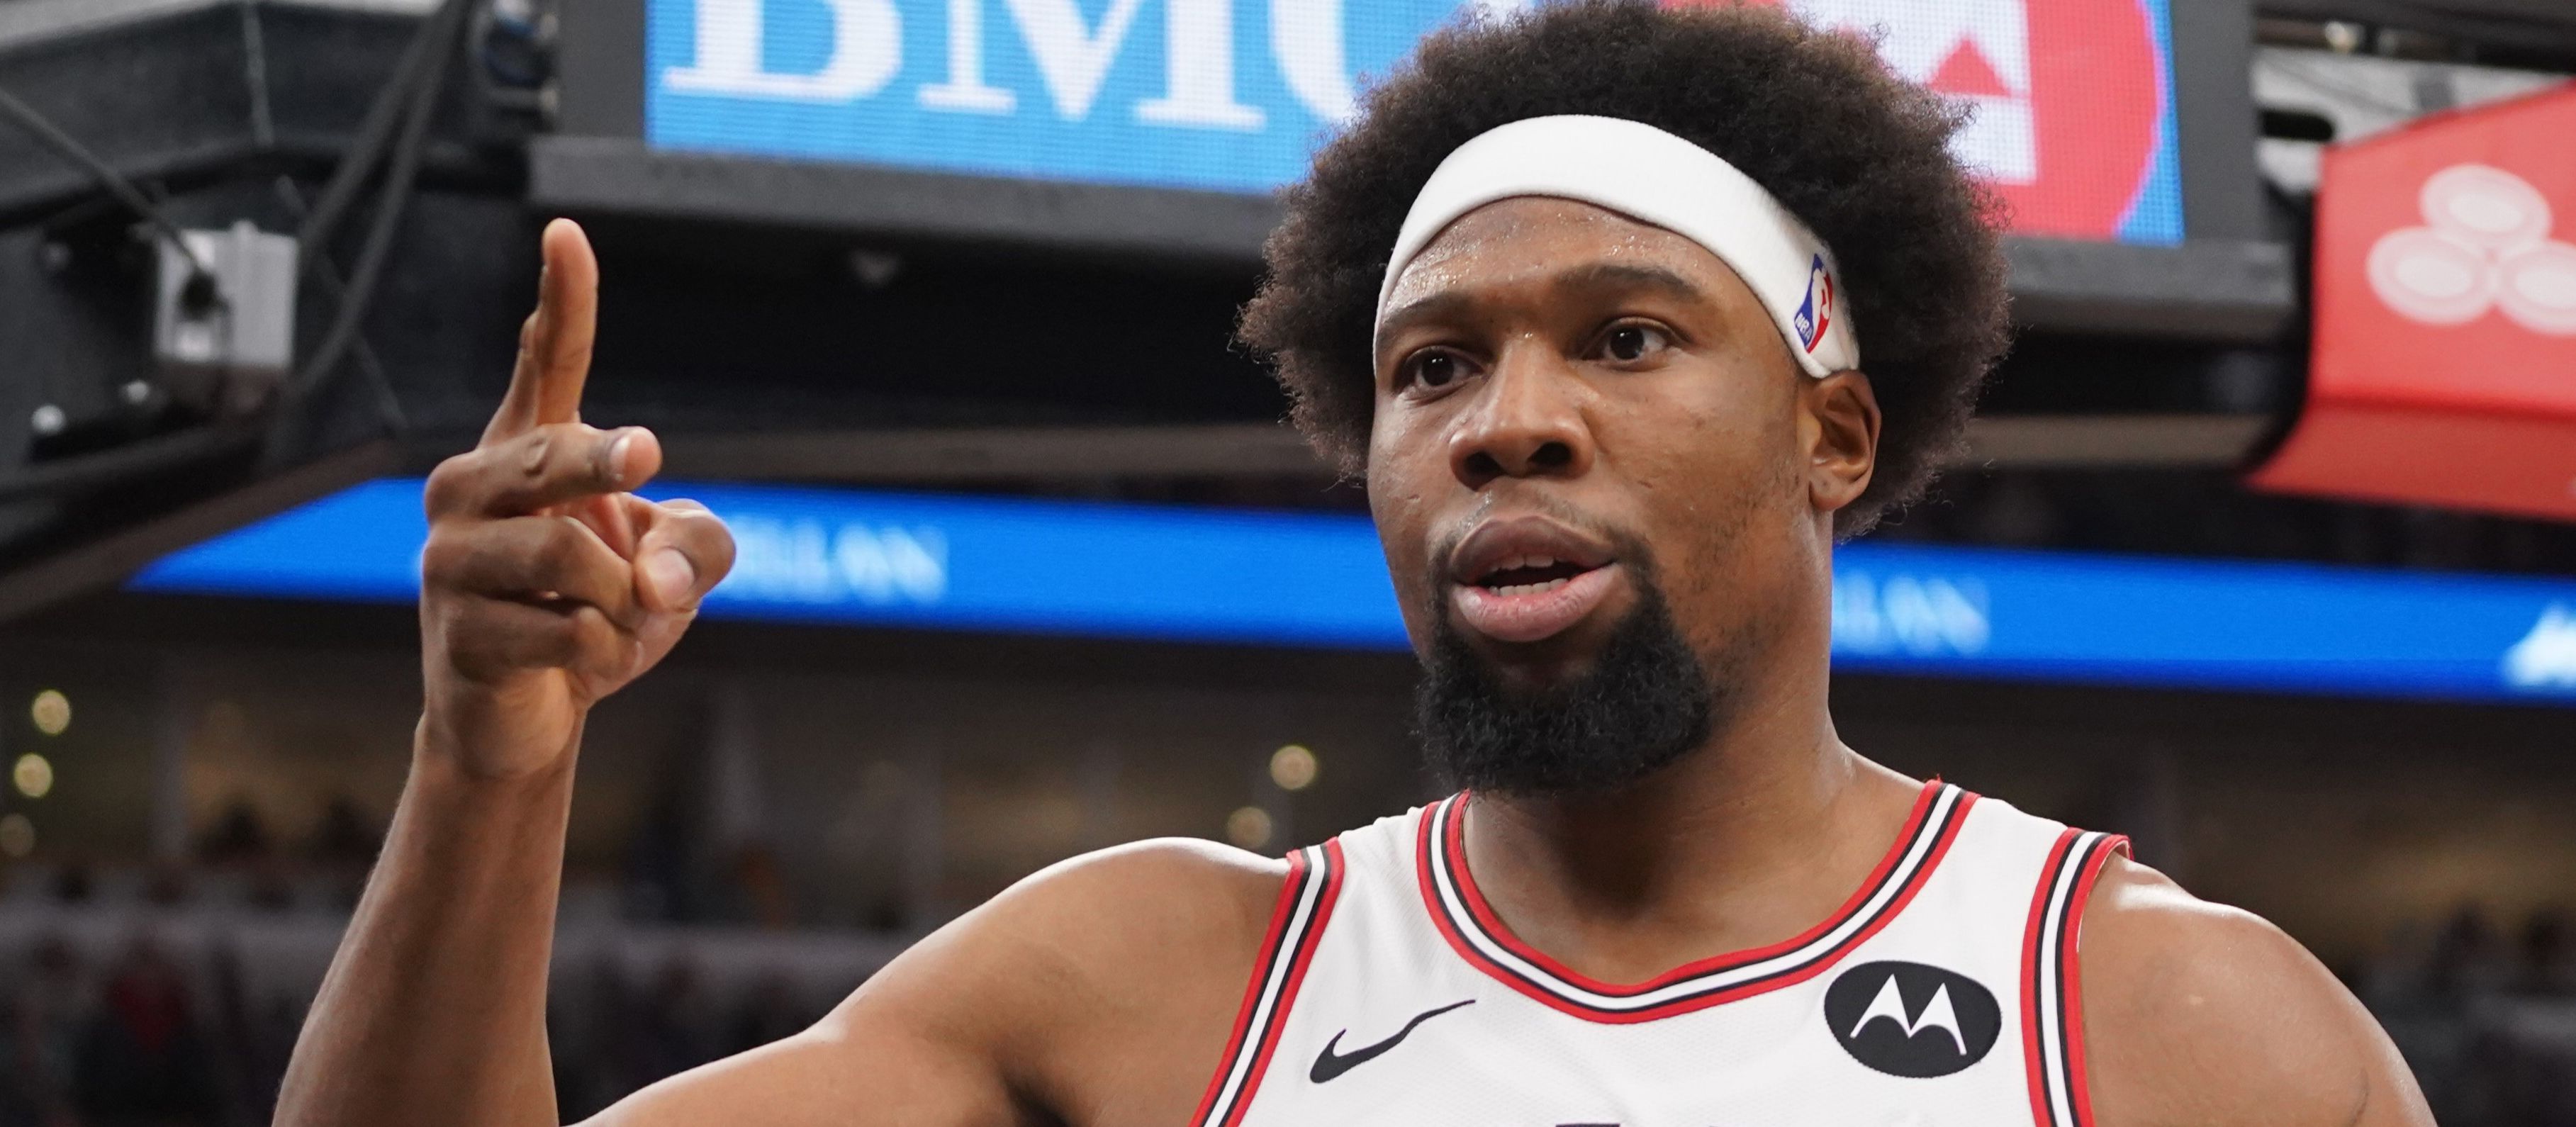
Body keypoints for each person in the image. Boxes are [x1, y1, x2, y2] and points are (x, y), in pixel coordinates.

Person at [273, 4, 2431, 1124]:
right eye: (1431, 367)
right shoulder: (1146, 982)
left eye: (1625, 338)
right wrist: (490, 767)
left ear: (1833, 432)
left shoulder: (2169, 1027)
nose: (1505, 419)